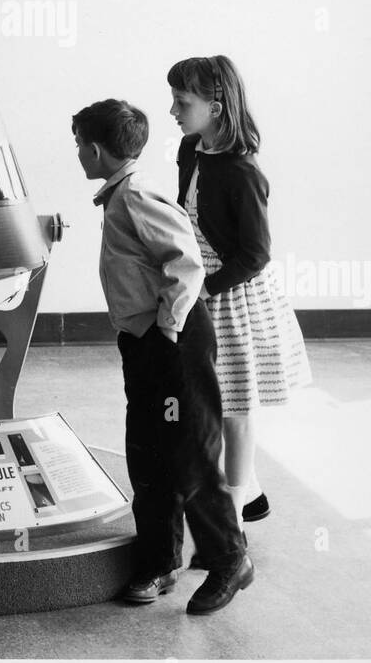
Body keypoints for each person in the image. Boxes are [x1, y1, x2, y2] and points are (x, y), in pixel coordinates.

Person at [72, 98, 253, 614]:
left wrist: (167, 332)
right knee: (148, 451)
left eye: (79, 145)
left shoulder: (138, 195)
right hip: (144, 341)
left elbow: (186, 261)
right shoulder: (118, 195)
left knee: (190, 454)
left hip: (173, 340)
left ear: (97, 149)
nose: (78, 155)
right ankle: (158, 561)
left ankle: (229, 560)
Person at [167, 55, 311, 547]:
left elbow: (255, 254)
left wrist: (205, 288)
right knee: (207, 401)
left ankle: (234, 523)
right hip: (202, 290)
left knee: (234, 409)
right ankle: (248, 494)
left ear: (217, 105)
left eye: (182, 102)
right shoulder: (190, 149)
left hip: (233, 298)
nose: (173, 111)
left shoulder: (243, 172)